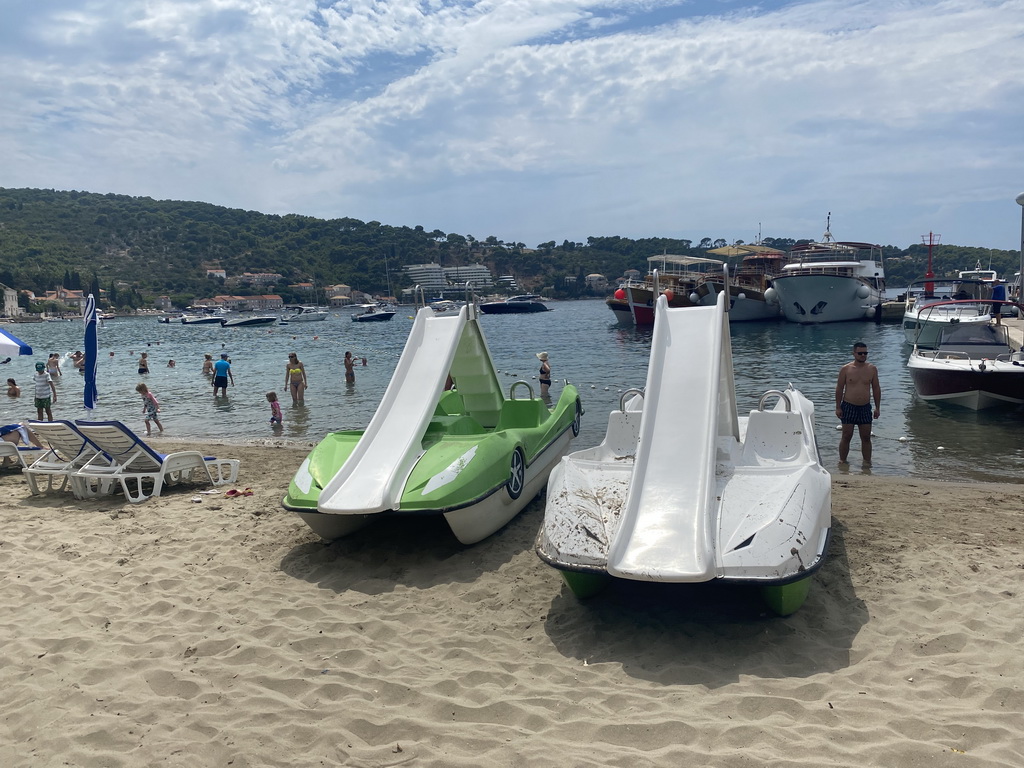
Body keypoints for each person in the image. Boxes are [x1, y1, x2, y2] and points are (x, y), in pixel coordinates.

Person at [835, 342, 881, 465]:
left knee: (866, 437)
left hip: (865, 407)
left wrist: (877, 407)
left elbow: (876, 388)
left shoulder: (872, 369)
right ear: (854, 353)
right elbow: (839, 388)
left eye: (865, 353)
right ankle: (842, 462)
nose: (863, 355)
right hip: (849, 406)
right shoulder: (846, 369)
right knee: (846, 436)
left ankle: (867, 463)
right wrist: (838, 407)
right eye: (860, 353)